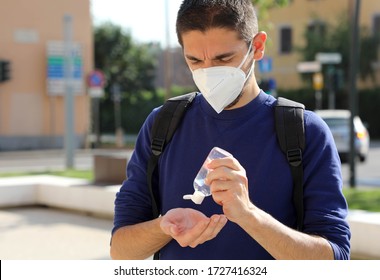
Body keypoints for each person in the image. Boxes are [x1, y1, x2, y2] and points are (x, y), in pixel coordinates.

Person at [110, 0, 350, 260]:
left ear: (257, 47)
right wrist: (165, 226)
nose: (209, 72)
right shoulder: (162, 124)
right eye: (195, 60)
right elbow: (121, 250)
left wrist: (248, 215)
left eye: (224, 58)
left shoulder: (305, 132)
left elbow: (334, 260)